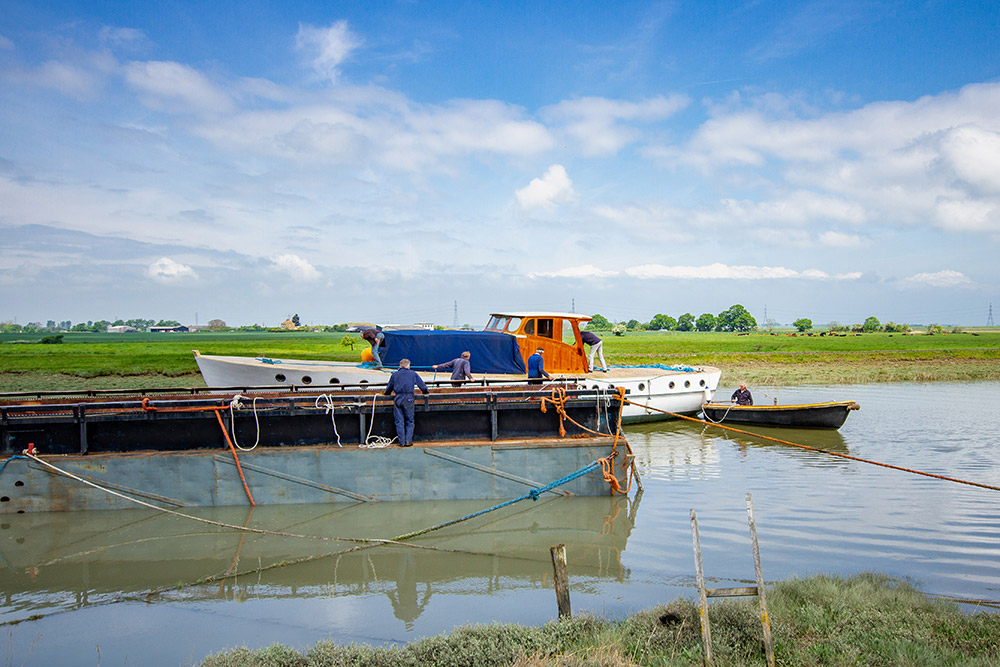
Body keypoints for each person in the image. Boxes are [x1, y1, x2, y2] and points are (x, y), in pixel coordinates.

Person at [383, 358, 429, 447]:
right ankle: (408, 441)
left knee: (399, 421)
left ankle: (401, 442)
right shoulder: (413, 374)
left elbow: (389, 388)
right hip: (409, 398)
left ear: (400, 366)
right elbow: (422, 386)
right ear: (408, 366)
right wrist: (426, 392)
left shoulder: (395, 375)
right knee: (410, 421)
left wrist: (386, 394)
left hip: (398, 398)